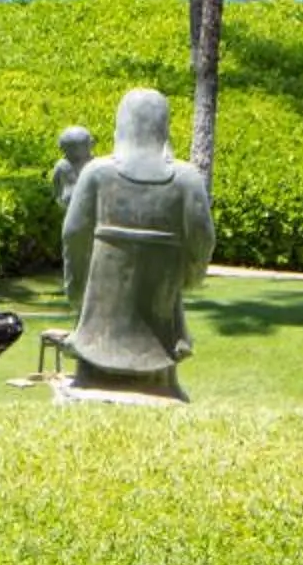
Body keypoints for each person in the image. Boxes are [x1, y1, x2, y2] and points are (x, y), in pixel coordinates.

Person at [62, 88, 215, 399]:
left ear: (121, 126)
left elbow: (74, 234)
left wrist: (76, 287)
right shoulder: (187, 179)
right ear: (163, 128)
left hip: (99, 319)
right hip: (161, 319)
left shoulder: (96, 173)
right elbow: (202, 240)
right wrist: (189, 277)